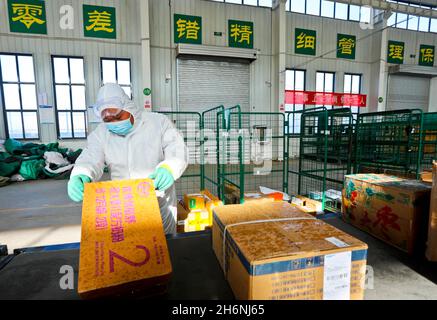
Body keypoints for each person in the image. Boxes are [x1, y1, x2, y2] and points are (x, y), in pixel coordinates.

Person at [67, 83, 188, 234]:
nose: (114, 123)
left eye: (118, 116)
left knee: (162, 247)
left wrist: (169, 168)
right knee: (128, 245)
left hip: (158, 199)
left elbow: (176, 148)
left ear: (128, 107)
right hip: (122, 202)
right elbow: (91, 156)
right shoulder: (101, 133)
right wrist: (80, 174)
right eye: (108, 120)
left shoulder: (158, 122)